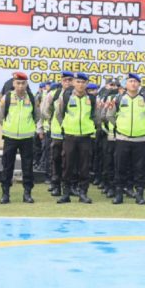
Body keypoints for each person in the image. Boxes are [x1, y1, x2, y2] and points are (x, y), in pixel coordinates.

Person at [104, 73, 145, 205]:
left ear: (139, 84)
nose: (133, 83)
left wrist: (143, 126)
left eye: (135, 81)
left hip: (140, 140)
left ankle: (139, 194)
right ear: (126, 84)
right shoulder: (118, 99)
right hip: (122, 138)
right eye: (130, 81)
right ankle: (119, 194)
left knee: (139, 169)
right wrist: (120, 126)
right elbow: (110, 115)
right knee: (120, 167)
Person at [0, 72, 42, 205]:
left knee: (27, 167)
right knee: (7, 166)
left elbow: (37, 116)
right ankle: (5, 194)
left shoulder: (33, 99)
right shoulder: (7, 98)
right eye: (18, 83)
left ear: (27, 84)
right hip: (10, 137)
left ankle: (27, 193)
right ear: (13, 84)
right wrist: (9, 126)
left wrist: (27, 127)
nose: (20, 86)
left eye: (23, 83)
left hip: (27, 138)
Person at [55, 72, 97, 204]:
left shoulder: (92, 99)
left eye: (83, 82)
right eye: (78, 82)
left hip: (85, 137)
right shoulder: (66, 97)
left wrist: (91, 128)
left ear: (86, 84)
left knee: (84, 166)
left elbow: (96, 116)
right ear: (74, 83)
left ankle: (83, 193)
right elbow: (59, 114)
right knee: (67, 165)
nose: (80, 84)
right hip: (70, 136)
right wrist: (66, 126)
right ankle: (66, 193)